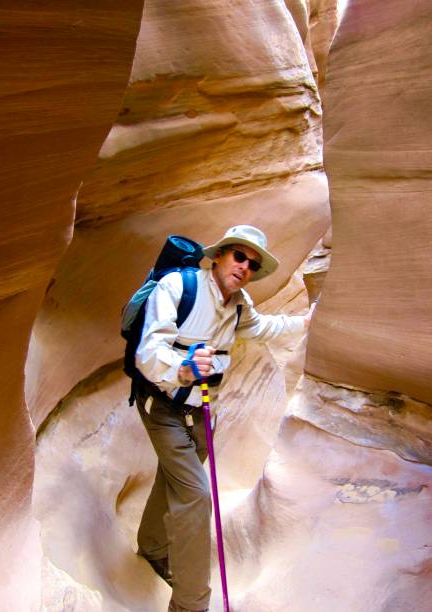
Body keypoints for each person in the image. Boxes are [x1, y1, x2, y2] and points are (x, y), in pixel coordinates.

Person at [133, 225, 314, 612]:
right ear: (218, 256)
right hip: (162, 408)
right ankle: (190, 604)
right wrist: (182, 368)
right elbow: (147, 353)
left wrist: (306, 322)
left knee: (173, 480)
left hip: (200, 413)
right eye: (239, 256)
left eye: (252, 263)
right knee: (196, 497)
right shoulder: (178, 288)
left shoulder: (240, 305)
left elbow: (263, 327)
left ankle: (151, 547)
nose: (244, 266)